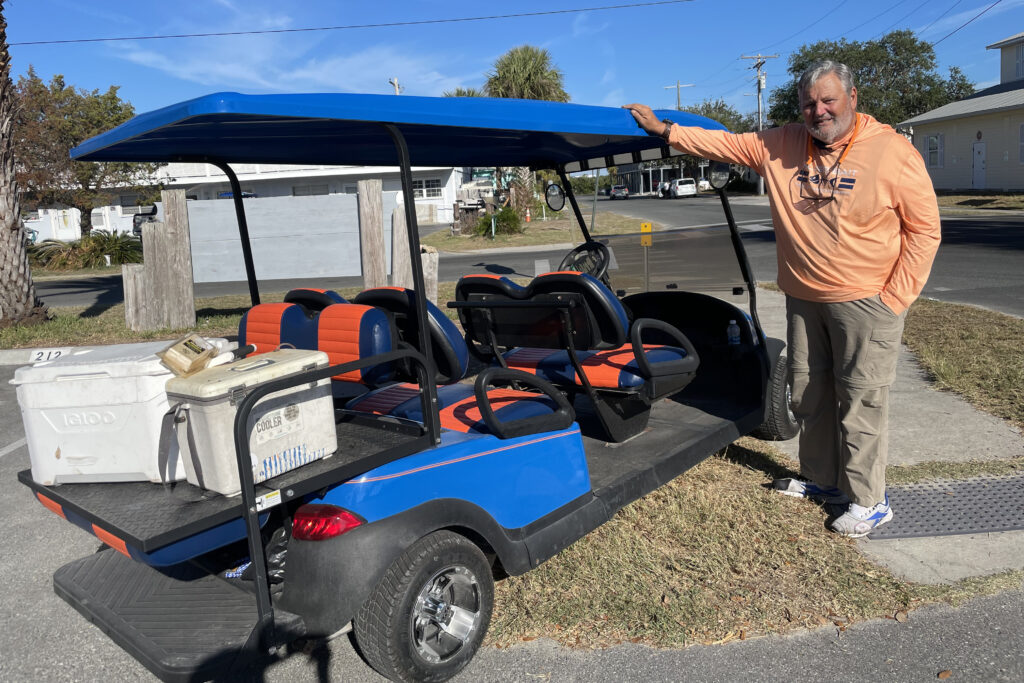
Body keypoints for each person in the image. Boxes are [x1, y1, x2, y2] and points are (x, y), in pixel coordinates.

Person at [625, 60, 941, 538]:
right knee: (810, 394)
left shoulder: (892, 152)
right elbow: (726, 144)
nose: (819, 111)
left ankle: (870, 500)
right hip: (804, 297)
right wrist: (665, 129)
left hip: (867, 303)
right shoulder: (782, 143)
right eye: (810, 103)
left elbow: (925, 231)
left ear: (852, 99)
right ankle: (822, 481)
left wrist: (893, 299)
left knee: (860, 402)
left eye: (829, 100)